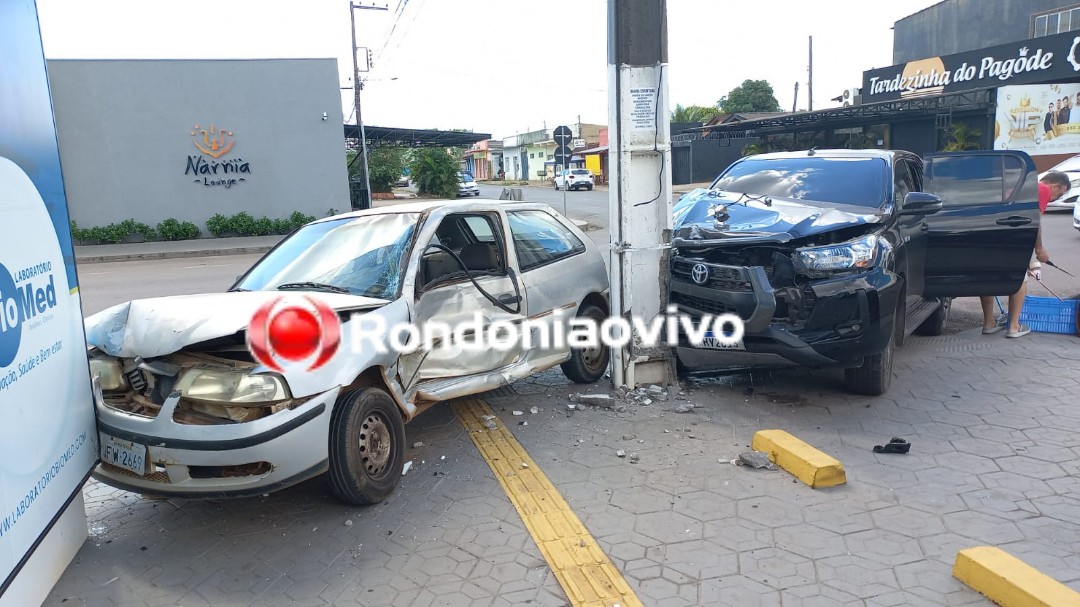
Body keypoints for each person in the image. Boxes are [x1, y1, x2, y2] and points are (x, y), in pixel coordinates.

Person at [979, 171, 1065, 337]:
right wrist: (1039, 249)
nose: (1055, 199)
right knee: (1020, 277)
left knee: (988, 275)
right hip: (1012, 237)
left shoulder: (1023, 186)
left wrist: (1031, 262)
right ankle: (1013, 326)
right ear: (1055, 186)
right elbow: (1034, 220)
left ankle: (989, 323)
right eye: (1059, 194)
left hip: (992, 233)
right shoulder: (1042, 189)